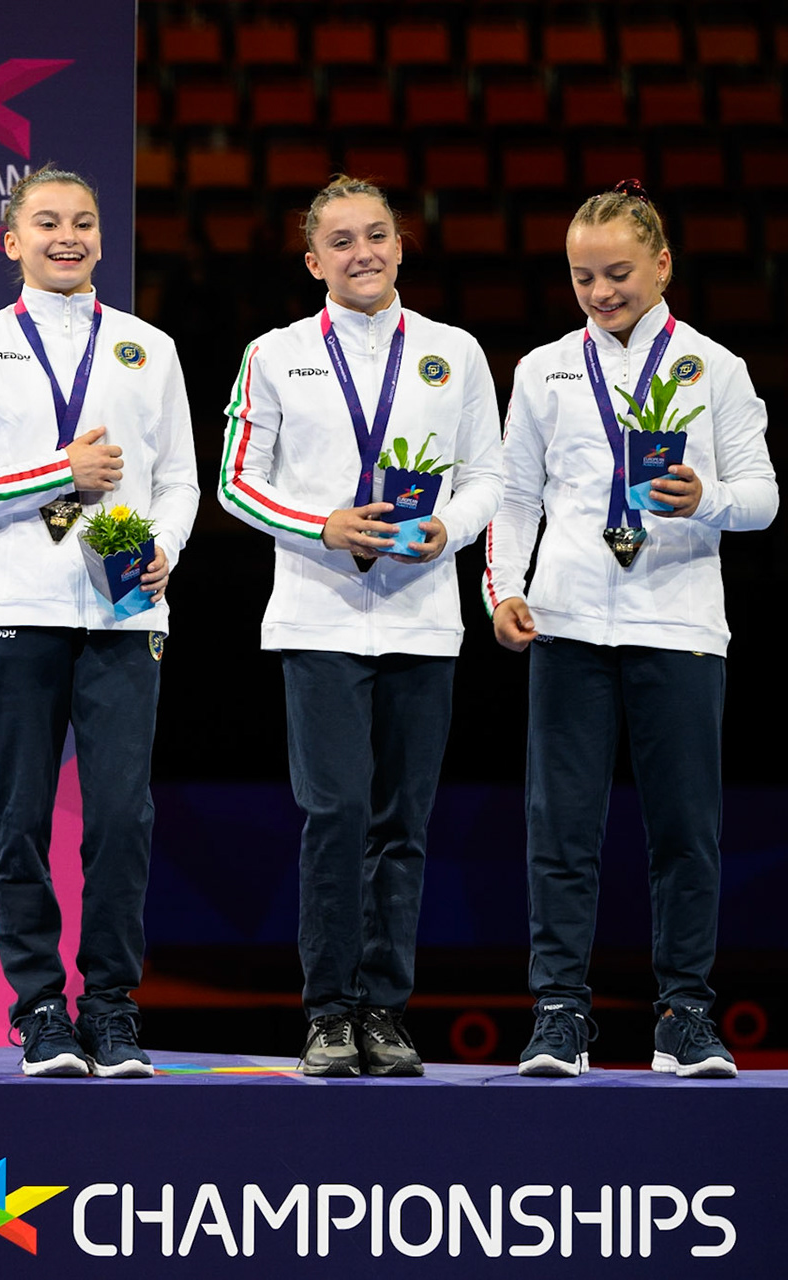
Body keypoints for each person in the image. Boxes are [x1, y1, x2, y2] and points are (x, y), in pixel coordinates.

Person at [486, 180, 777, 1079]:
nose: (602, 292)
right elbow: (516, 496)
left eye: (617, 273)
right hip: (569, 622)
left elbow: (763, 499)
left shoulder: (714, 368)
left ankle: (684, 1016)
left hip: (680, 621)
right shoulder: (544, 370)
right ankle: (559, 1016)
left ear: (662, 263)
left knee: (685, 830)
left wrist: (710, 498)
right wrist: (504, 590)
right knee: (561, 828)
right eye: (583, 277)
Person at [216, 175, 503, 1077]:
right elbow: (233, 480)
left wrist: (447, 529)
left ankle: (384, 1008)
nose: (363, 252)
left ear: (401, 244)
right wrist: (320, 526)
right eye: (340, 241)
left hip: (422, 616)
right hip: (319, 613)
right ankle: (327, 1012)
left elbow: (490, 478)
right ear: (313, 261)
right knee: (335, 814)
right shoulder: (275, 353)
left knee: (402, 823)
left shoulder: (454, 352)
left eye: (376, 234)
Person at [0, 167, 199, 1077]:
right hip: (16, 609)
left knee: (123, 818)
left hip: (126, 615)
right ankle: (40, 1006)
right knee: (22, 819)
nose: (67, 237)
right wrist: (58, 474)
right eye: (47, 223)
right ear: (11, 241)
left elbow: (180, 480)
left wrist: (160, 550)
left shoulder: (147, 347)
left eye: (82, 223)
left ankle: (111, 1004)